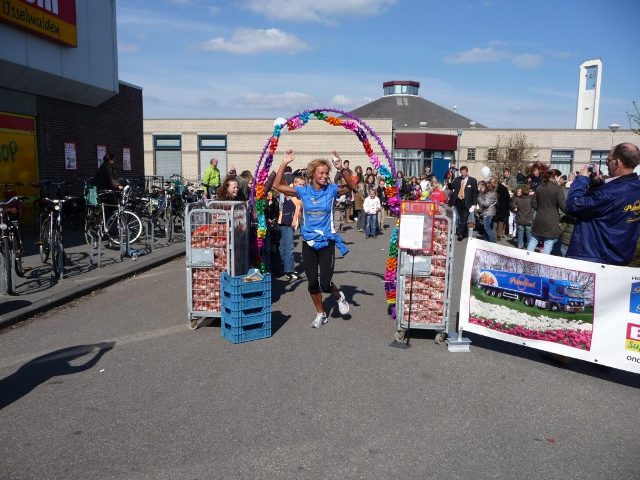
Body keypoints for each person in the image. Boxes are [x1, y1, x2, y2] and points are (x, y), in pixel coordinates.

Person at [273, 149, 356, 328]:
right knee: (312, 284)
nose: (325, 176)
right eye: (321, 173)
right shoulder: (303, 191)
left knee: (325, 284)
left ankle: (339, 296)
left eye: (327, 173)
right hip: (309, 242)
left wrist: (341, 169)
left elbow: (351, 187)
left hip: (326, 242)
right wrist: (284, 163)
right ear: (313, 174)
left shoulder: (331, 190)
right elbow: (277, 185)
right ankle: (321, 314)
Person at [566, 143, 640, 265]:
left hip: (594, 257)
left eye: (608, 160)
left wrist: (581, 179)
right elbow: (609, 207)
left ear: (617, 163)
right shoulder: (635, 187)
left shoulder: (609, 193)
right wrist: (597, 185)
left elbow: (573, 205)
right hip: (621, 255)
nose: (606, 164)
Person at [527, 169, 566, 254]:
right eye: (559, 177)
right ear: (555, 176)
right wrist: (571, 213)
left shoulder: (539, 187)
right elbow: (563, 205)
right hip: (551, 219)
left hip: (539, 217)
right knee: (548, 242)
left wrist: (540, 208)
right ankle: (543, 262)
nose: (559, 179)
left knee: (534, 239)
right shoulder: (557, 188)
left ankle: (526, 258)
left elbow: (533, 202)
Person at [278, 176, 304, 280]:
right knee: (289, 247)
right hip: (286, 222)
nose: (302, 186)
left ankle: (284, 268)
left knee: (284, 246)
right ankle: (288, 270)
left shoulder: (299, 194)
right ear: (295, 184)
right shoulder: (289, 192)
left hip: (292, 223)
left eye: (303, 184)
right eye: (300, 184)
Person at [448, 166, 478, 241]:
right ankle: (462, 232)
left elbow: (475, 193)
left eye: (464, 172)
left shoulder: (473, 180)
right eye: (461, 173)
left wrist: (474, 204)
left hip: (467, 202)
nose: (462, 174)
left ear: (467, 172)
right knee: (458, 218)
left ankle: (460, 234)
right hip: (458, 201)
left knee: (464, 219)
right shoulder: (457, 179)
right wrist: (449, 180)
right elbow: (451, 187)